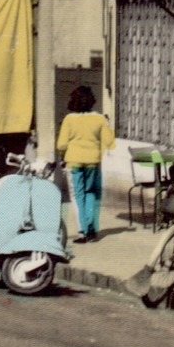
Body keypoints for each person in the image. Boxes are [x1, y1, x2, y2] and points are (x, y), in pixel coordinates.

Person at [56, 85, 115, 243]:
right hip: (93, 163)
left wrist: (62, 158)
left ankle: (81, 231)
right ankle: (91, 230)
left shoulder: (69, 120)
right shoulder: (99, 118)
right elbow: (110, 142)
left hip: (74, 162)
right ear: (91, 101)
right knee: (90, 194)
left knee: (77, 196)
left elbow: (61, 145)